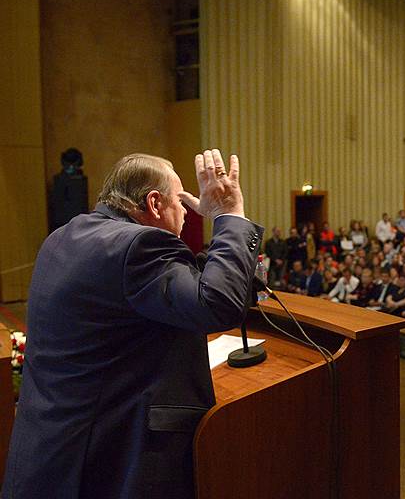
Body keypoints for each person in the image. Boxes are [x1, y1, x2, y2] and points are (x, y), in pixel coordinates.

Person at [3, 150, 263, 498]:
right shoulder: (139, 245)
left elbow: (159, 294)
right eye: (181, 200)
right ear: (154, 203)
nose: (188, 210)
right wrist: (228, 215)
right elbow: (216, 305)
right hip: (105, 463)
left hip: (52, 454)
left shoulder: (66, 236)